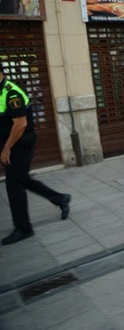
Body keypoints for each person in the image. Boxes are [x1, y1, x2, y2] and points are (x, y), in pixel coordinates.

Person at [0, 69, 71, 245]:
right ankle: (60, 198)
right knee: (22, 179)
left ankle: (24, 228)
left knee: (14, 184)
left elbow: (20, 124)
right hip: (10, 146)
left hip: (19, 147)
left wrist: (6, 148)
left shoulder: (12, 93)